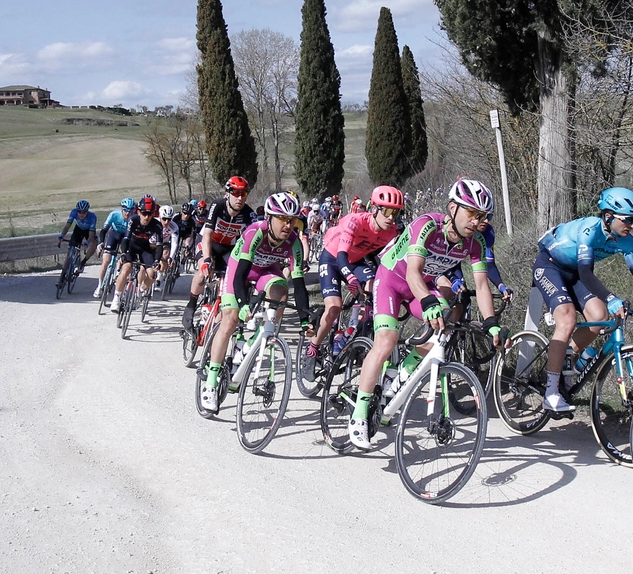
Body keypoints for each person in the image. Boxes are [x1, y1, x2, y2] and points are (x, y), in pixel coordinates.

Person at [347, 179, 504, 450]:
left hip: (422, 285)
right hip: (392, 281)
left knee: (442, 328)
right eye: (471, 213)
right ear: (453, 208)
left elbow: (481, 285)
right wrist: (429, 300)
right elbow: (412, 272)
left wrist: (491, 323)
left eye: (482, 216)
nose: (475, 221)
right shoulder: (427, 225)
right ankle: (359, 415)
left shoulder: (475, 242)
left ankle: (399, 375)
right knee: (386, 340)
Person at [533, 187, 633, 413]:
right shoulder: (589, 230)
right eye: (629, 220)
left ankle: (568, 356)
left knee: (599, 318)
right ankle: (551, 392)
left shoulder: (626, 241)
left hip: (574, 272)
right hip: (550, 265)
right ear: (608, 215)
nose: (632, 226)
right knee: (567, 319)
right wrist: (611, 298)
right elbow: (586, 272)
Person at [199, 192, 313, 412]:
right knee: (230, 320)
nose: (288, 225)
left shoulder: (294, 243)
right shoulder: (255, 233)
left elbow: (299, 284)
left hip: (265, 272)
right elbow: (240, 275)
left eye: (292, 220)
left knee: (281, 292)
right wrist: (242, 305)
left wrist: (305, 320)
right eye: (282, 219)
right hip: (240, 269)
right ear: (269, 217)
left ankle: (256, 341)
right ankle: (211, 383)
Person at [306, 186, 405, 362]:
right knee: (334, 307)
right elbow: (341, 256)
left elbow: (390, 263)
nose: (391, 218)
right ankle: (313, 348)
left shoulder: (392, 232)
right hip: (333, 258)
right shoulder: (356, 221)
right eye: (388, 211)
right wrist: (350, 278)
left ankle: (356, 333)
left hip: (356, 260)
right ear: (374, 209)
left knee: (374, 286)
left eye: (396, 213)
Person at [182, 176, 255, 332]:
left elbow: (252, 241)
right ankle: (191, 305)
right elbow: (207, 234)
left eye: (244, 194)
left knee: (234, 278)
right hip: (209, 242)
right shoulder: (218, 205)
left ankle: (215, 322)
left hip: (228, 248)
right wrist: (207, 259)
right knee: (203, 271)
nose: (240, 198)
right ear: (227, 193)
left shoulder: (248, 214)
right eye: (236, 193)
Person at [110, 196, 162, 312]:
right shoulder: (133, 220)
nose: (147, 217)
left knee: (152, 274)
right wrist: (123, 253)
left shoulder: (157, 225)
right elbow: (126, 239)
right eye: (144, 213)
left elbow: (159, 245)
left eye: (150, 213)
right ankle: (116, 298)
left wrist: (157, 261)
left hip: (145, 249)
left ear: (154, 213)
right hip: (131, 246)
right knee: (126, 268)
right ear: (138, 212)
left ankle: (140, 291)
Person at [93, 198, 135, 297]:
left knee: (125, 257)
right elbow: (104, 230)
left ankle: (118, 272)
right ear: (122, 209)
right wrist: (101, 243)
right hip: (114, 235)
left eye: (130, 211)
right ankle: (99, 286)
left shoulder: (133, 219)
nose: (128, 213)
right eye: (126, 211)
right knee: (106, 260)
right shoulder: (114, 215)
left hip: (125, 238)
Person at [58, 200, 98, 267]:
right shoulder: (74, 212)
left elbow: (91, 235)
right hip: (78, 229)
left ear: (87, 211)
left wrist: (87, 243)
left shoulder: (92, 217)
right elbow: (67, 226)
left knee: (94, 244)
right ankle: (64, 270)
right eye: (79, 211)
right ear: (77, 211)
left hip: (88, 231)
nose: (81, 214)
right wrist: (62, 235)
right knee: (70, 251)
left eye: (84, 212)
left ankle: (83, 262)